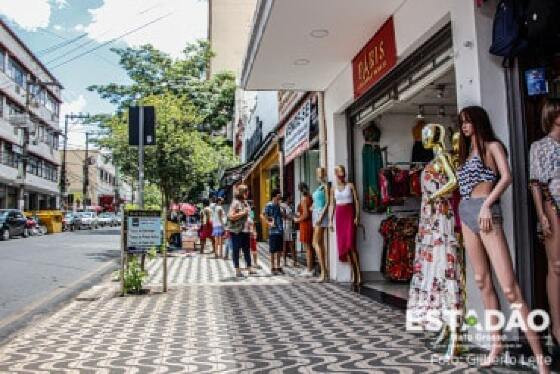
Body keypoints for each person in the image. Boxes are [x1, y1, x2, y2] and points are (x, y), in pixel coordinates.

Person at [457, 106, 549, 373]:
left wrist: (487, 204)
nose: (464, 126)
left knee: (510, 288)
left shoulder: (492, 146)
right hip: (466, 212)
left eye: (468, 122)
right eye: (461, 122)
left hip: (486, 212)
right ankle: (496, 343)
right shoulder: (466, 154)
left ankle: (540, 357)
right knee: (481, 281)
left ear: (478, 122)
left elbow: (506, 177)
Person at [529, 99, 560, 352]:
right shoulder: (539, 147)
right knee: (556, 266)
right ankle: (557, 326)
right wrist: (542, 215)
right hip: (553, 205)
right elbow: (536, 183)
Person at [329, 165, 361, 286]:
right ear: (336, 174)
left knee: (351, 245)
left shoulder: (350, 185)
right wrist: (331, 221)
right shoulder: (333, 189)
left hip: (349, 215)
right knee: (344, 246)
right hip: (339, 216)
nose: (342, 176)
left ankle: (358, 273)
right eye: (339, 174)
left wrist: (357, 216)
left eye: (343, 174)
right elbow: (333, 205)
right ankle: (353, 272)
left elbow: (357, 201)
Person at [227, 185, 255, 277]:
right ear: (242, 193)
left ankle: (250, 268)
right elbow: (230, 216)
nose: (248, 193)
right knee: (236, 250)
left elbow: (250, 216)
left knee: (247, 250)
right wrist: (243, 212)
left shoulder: (246, 203)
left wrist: (252, 229)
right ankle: (237, 270)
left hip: (246, 230)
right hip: (237, 231)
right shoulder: (236, 203)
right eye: (246, 192)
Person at [312, 167, 330, 282]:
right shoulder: (319, 187)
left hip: (320, 215)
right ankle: (324, 271)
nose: (320, 175)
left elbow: (328, 203)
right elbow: (317, 202)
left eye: (322, 173)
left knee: (315, 243)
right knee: (320, 243)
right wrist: (312, 207)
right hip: (316, 213)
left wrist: (321, 216)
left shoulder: (325, 187)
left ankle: (323, 271)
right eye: (318, 173)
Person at [262, 189, 284, 275]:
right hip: (273, 231)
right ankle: (272, 267)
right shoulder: (269, 205)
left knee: (279, 250)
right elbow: (263, 215)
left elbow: (281, 215)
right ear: (275, 195)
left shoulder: (279, 205)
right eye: (279, 195)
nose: (280, 196)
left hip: (280, 229)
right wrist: (269, 223)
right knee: (273, 250)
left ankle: (278, 267)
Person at [295, 182, 314, 277]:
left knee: (308, 248)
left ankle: (309, 269)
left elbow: (305, 214)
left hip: (305, 224)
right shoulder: (310, 198)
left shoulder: (304, 199)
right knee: (310, 247)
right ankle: (311, 268)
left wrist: (297, 220)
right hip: (310, 223)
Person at [281, 194, 297, 267]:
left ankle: (293, 261)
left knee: (292, 244)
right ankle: (284, 261)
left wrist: (296, 216)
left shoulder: (289, 206)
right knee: (285, 244)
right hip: (285, 226)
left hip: (290, 226)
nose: (291, 199)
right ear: (287, 198)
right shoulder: (282, 205)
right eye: (290, 198)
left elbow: (292, 214)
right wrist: (292, 218)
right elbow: (283, 215)